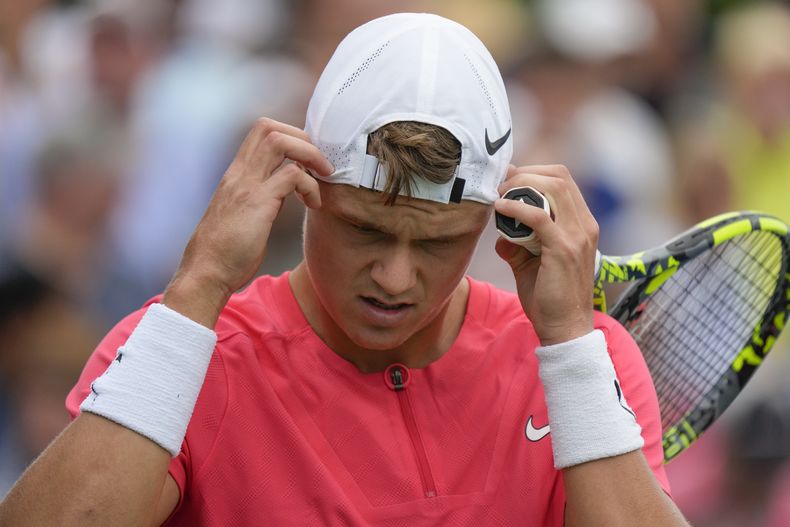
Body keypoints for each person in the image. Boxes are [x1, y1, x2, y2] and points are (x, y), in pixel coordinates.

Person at [0, 13, 688, 526]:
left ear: (494, 220)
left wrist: (569, 345)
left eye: (438, 242)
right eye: (365, 229)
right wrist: (202, 278)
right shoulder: (183, 348)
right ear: (300, 189)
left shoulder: (580, 361)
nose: (394, 277)